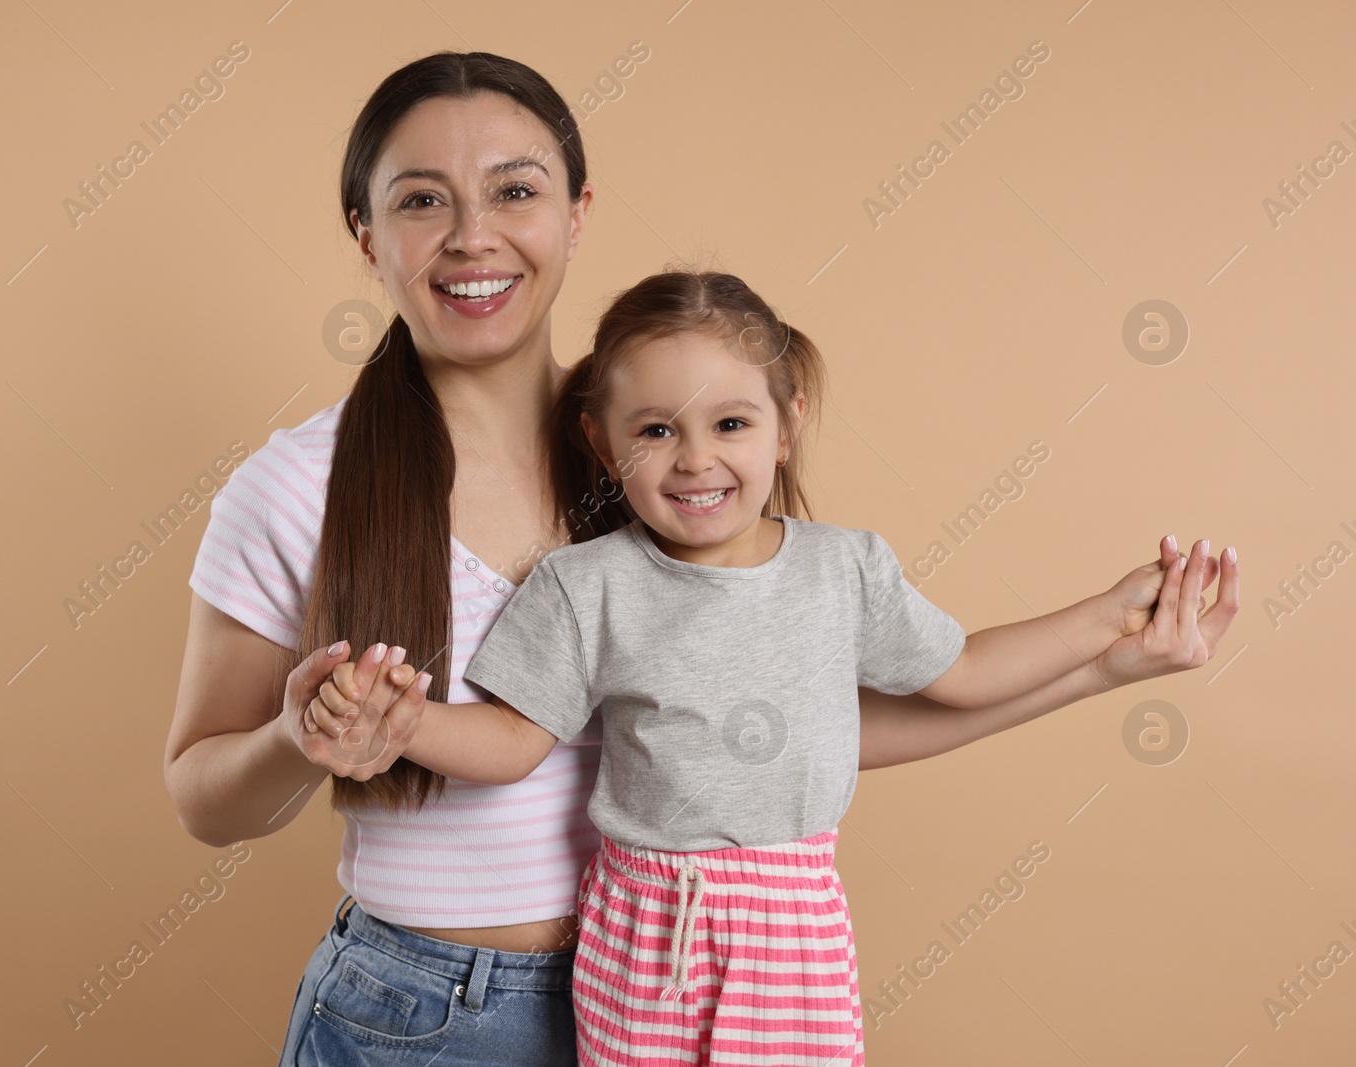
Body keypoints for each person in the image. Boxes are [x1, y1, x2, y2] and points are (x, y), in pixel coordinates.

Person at [164, 51, 1239, 1067]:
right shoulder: (298, 485)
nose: (471, 236)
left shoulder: (673, 445)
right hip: (421, 1013)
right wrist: (307, 734)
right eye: (419, 199)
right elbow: (205, 797)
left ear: (578, 214)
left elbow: (774, 735)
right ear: (365, 234)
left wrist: (1102, 665)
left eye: (515, 190)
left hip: (684, 993)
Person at [303, 269, 1241, 1066]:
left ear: (786, 426)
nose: (696, 459)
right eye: (656, 431)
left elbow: (964, 670)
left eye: (732, 423)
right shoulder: (585, 584)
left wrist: (1112, 617)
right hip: (644, 928)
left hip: (792, 929)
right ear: (600, 439)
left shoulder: (846, 569)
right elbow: (514, 740)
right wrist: (403, 722)